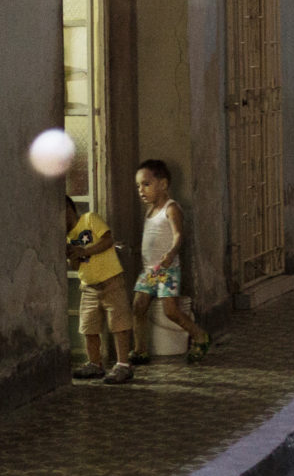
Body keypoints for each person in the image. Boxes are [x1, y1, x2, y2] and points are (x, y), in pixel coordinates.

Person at [131, 160, 211, 363]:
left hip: (167, 271)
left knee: (171, 311)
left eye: (146, 184)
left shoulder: (171, 208)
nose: (141, 190)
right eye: (138, 186)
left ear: (163, 184)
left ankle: (200, 336)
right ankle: (140, 349)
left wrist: (172, 252)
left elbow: (177, 235)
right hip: (150, 271)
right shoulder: (149, 212)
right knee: (138, 306)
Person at [66, 196, 137, 384]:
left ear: (68, 209)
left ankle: (123, 364)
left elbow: (107, 240)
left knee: (119, 323)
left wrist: (85, 251)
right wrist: (71, 254)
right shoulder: (67, 238)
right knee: (89, 326)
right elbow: (75, 266)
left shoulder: (89, 219)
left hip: (111, 281)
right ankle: (94, 363)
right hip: (88, 287)